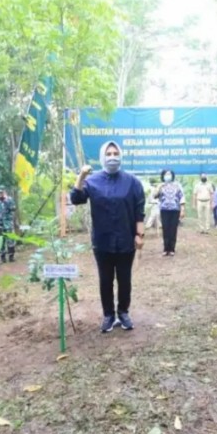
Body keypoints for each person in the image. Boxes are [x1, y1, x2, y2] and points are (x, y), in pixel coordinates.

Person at [71, 141, 145, 333]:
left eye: (116, 153)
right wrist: (81, 176)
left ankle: (123, 313)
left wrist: (139, 234)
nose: (113, 157)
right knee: (105, 280)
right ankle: (108, 315)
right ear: (103, 156)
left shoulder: (132, 182)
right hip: (102, 241)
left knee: (124, 279)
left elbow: (139, 210)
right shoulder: (93, 181)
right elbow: (76, 198)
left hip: (125, 240)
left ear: (120, 156)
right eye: (109, 153)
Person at [156, 169, 186, 256]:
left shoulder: (177, 185)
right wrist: (159, 187)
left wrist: (182, 209)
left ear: (172, 175)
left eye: (169, 174)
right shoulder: (161, 186)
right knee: (165, 229)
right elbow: (154, 196)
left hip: (175, 209)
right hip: (164, 209)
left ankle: (172, 249)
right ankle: (166, 248)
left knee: (173, 229)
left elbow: (182, 197)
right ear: (163, 176)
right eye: (166, 174)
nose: (168, 176)